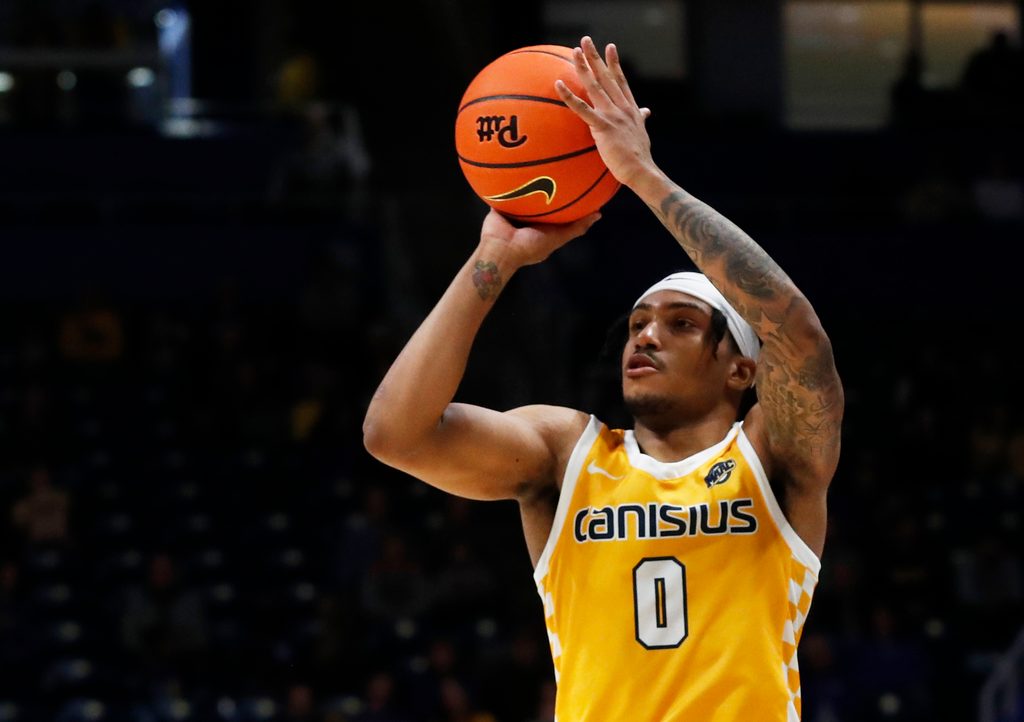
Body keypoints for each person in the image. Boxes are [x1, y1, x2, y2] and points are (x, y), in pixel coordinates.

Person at [363, 36, 843, 721]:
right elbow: (395, 435)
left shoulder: (774, 456)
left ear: (743, 367)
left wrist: (643, 176)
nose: (645, 334)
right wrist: (493, 259)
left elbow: (797, 336)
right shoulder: (568, 453)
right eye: (639, 322)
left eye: (680, 323)